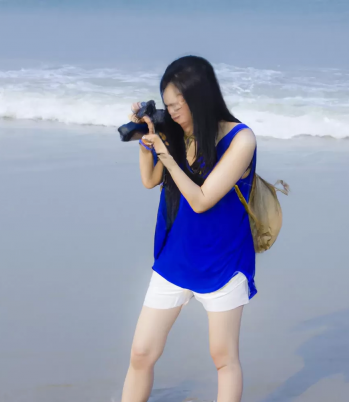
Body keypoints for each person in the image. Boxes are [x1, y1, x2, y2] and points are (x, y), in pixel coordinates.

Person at [121, 55, 257, 402]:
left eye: (177, 106)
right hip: (177, 257)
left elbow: (200, 200)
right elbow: (150, 180)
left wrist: (166, 153)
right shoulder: (178, 134)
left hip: (223, 262)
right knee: (141, 353)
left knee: (223, 359)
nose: (174, 113)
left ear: (200, 98)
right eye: (167, 106)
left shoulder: (241, 140)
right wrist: (148, 139)